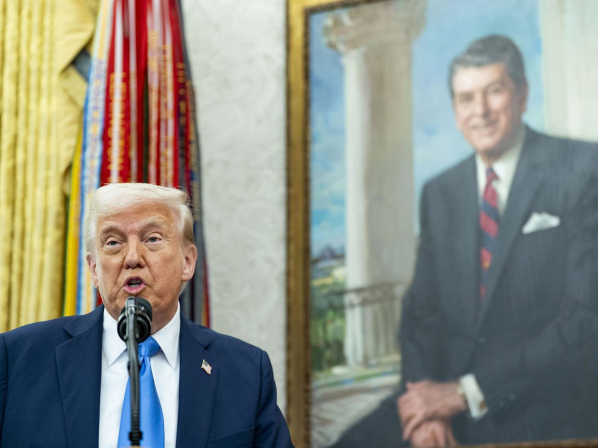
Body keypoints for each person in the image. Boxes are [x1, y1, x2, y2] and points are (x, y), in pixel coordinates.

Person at [331, 34, 598, 448]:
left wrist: (464, 394)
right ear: (456, 111)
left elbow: (582, 320)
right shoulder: (440, 192)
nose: (481, 111)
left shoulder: (583, 168)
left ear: (522, 95)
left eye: (494, 91)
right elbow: (420, 315)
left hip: (539, 397)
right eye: (466, 98)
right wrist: (425, 407)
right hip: (442, 394)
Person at [0, 183, 293, 448]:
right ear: (94, 269)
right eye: (113, 242)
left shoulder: (245, 371)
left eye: (152, 239)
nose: (132, 258)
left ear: (187, 262)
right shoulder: (16, 359)